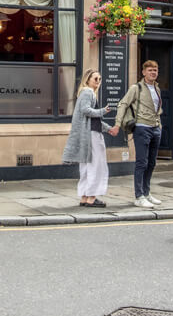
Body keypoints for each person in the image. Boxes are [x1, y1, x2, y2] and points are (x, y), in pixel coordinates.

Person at [61, 70, 117, 207]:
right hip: (92, 135)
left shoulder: (86, 93)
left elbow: (92, 118)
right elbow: (86, 110)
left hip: (89, 133)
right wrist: (104, 110)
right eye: (95, 78)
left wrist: (108, 128)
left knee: (86, 166)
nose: (98, 81)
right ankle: (92, 197)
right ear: (88, 80)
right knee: (97, 165)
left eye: (100, 79)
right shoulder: (88, 92)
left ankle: (85, 197)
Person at [116, 60, 164, 208]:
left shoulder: (157, 88)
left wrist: (159, 126)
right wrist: (118, 124)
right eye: (150, 70)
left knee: (151, 162)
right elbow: (123, 104)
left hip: (156, 128)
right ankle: (139, 196)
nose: (153, 72)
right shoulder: (136, 88)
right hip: (142, 127)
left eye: (155, 70)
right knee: (141, 163)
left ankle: (147, 193)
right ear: (143, 72)